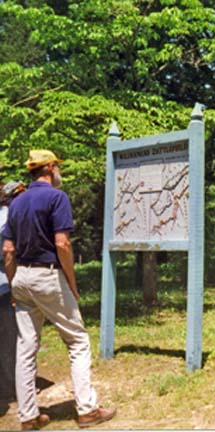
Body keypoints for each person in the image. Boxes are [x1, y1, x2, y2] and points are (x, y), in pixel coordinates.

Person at [1, 150, 116, 430]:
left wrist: (15, 285)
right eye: (57, 168)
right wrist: (72, 284)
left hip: (22, 278)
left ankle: (28, 416)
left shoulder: (15, 203)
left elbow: (8, 250)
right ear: (50, 168)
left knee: (26, 348)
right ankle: (87, 410)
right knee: (77, 341)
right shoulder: (56, 197)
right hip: (47, 276)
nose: (58, 172)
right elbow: (63, 244)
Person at [0, 181, 26, 402]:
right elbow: (9, 253)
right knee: (9, 338)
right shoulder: (9, 217)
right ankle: (10, 387)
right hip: (4, 286)